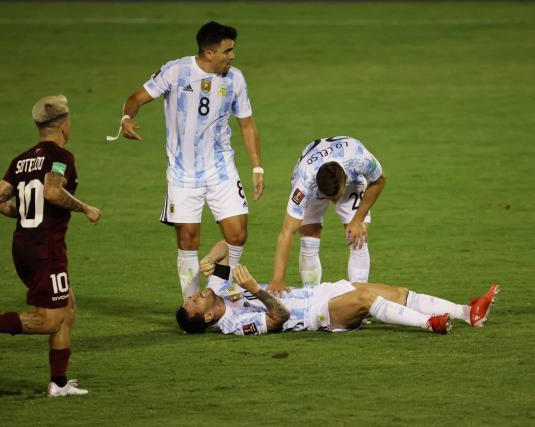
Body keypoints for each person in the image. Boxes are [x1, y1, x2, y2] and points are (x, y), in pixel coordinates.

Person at [0, 95, 102, 398]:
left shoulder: (21, 160)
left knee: (67, 310)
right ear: (64, 124)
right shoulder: (62, 156)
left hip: (24, 244)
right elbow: (52, 191)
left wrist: (25, 215)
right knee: (50, 319)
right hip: (45, 248)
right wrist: (85, 208)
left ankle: (59, 383)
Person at [117, 21, 263, 301]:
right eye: (227, 51)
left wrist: (257, 166)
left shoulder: (236, 79)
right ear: (209, 53)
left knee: (237, 234)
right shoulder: (176, 71)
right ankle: (192, 305)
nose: (232, 56)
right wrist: (126, 118)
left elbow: (246, 124)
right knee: (188, 240)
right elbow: (136, 97)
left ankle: (219, 291)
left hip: (221, 169)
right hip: (183, 174)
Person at [177, 261, 499, 336]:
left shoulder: (217, 291)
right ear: (206, 317)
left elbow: (222, 246)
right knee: (366, 299)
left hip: (321, 291)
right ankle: (430, 324)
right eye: (192, 303)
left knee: (399, 293)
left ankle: (467, 312)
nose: (194, 295)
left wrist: (212, 261)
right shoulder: (233, 324)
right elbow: (280, 318)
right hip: (317, 314)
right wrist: (256, 290)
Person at [268, 135, 385, 294]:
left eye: (336, 197)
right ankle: (311, 297)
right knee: (309, 238)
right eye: (329, 198)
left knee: (358, 238)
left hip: (351, 179)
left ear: (345, 180)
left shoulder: (359, 159)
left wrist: (358, 220)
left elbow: (379, 181)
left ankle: (358, 300)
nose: (334, 202)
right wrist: (277, 278)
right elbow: (286, 232)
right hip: (311, 176)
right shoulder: (304, 183)